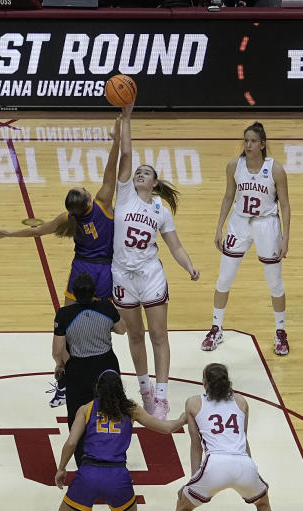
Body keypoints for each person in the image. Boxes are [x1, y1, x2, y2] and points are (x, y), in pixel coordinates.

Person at [0, 114, 123, 407]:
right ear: (88, 200)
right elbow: (112, 169)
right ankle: (104, 380)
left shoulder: (68, 217)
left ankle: (64, 380)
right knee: (107, 325)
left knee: (68, 325)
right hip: (104, 272)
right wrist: (116, 138)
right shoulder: (102, 203)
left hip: (80, 271)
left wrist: (8, 232)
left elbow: (37, 231)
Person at [24, 370, 185, 511]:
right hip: (117, 477)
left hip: (88, 474)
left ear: (97, 388)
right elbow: (166, 428)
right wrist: (185, 417)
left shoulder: (86, 409)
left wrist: (61, 468)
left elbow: (71, 443)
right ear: (120, 388)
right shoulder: (131, 409)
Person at [113, 104, 200, 420]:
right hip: (121, 274)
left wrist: (188, 266)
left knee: (158, 336)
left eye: (145, 172)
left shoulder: (160, 210)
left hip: (150, 273)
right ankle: (145, 389)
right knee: (135, 336)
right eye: (139, 171)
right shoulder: (124, 195)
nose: (139, 172)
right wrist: (126, 118)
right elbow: (126, 154)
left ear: (154, 183)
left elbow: (174, 245)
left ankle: (161, 397)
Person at [158, 363, 275, 511]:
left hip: (216, 464)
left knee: (183, 506)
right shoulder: (241, 402)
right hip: (243, 464)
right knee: (263, 503)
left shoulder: (193, 403)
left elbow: (196, 445)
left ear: (205, 383)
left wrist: (193, 480)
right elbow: (243, 439)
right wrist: (253, 471)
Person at [200, 122, 292, 356]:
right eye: (246, 140)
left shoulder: (275, 169)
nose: (248, 145)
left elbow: (285, 205)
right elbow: (228, 196)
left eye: (252, 141)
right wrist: (219, 227)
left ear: (262, 145)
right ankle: (216, 327)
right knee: (224, 279)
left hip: (266, 224)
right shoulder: (234, 166)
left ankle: (280, 332)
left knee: (275, 283)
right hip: (239, 222)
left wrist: (286, 238)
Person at [53, 273, 126, 465]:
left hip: (79, 370)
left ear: (74, 294)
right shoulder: (106, 308)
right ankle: (113, 456)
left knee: (77, 416)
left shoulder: (64, 314)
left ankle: (82, 461)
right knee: (112, 410)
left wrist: (60, 365)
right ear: (94, 292)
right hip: (107, 367)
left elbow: (57, 350)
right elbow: (121, 329)